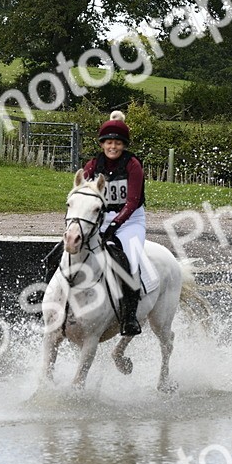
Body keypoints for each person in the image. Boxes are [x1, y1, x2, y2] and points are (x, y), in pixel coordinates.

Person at [84, 110, 146, 337]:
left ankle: (129, 318)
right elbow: (83, 195)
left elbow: (132, 202)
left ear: (124, 145)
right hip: (99, 218)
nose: (113, 147)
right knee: (63, 252)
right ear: (102, 144)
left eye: (117, 143)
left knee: (129, 261)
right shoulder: (92, 165)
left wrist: (114, 226)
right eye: (108, 142)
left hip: (131, 220)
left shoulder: (133, 165)